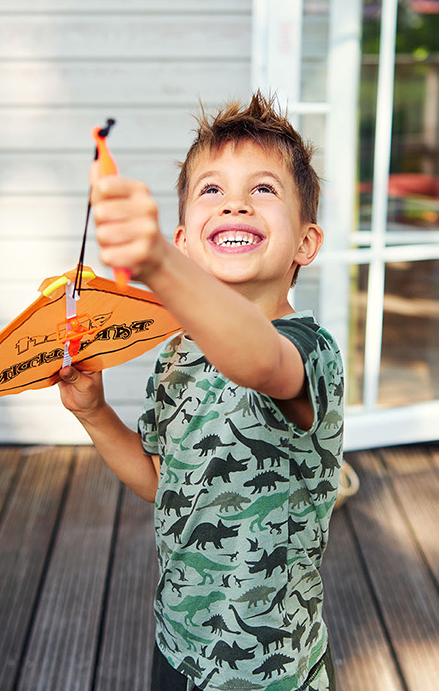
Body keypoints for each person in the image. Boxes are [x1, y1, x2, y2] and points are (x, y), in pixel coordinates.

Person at [58, 92, 344, 691]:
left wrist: (157, 262)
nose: (235, 202)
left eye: (264, 189)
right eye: (211, 189)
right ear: (190, 237)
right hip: (180, 642)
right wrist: (94, 413)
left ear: (305, 243)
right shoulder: (178, 354)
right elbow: (165, 481)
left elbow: (258, 361)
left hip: (269, 670)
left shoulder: (307, 352)